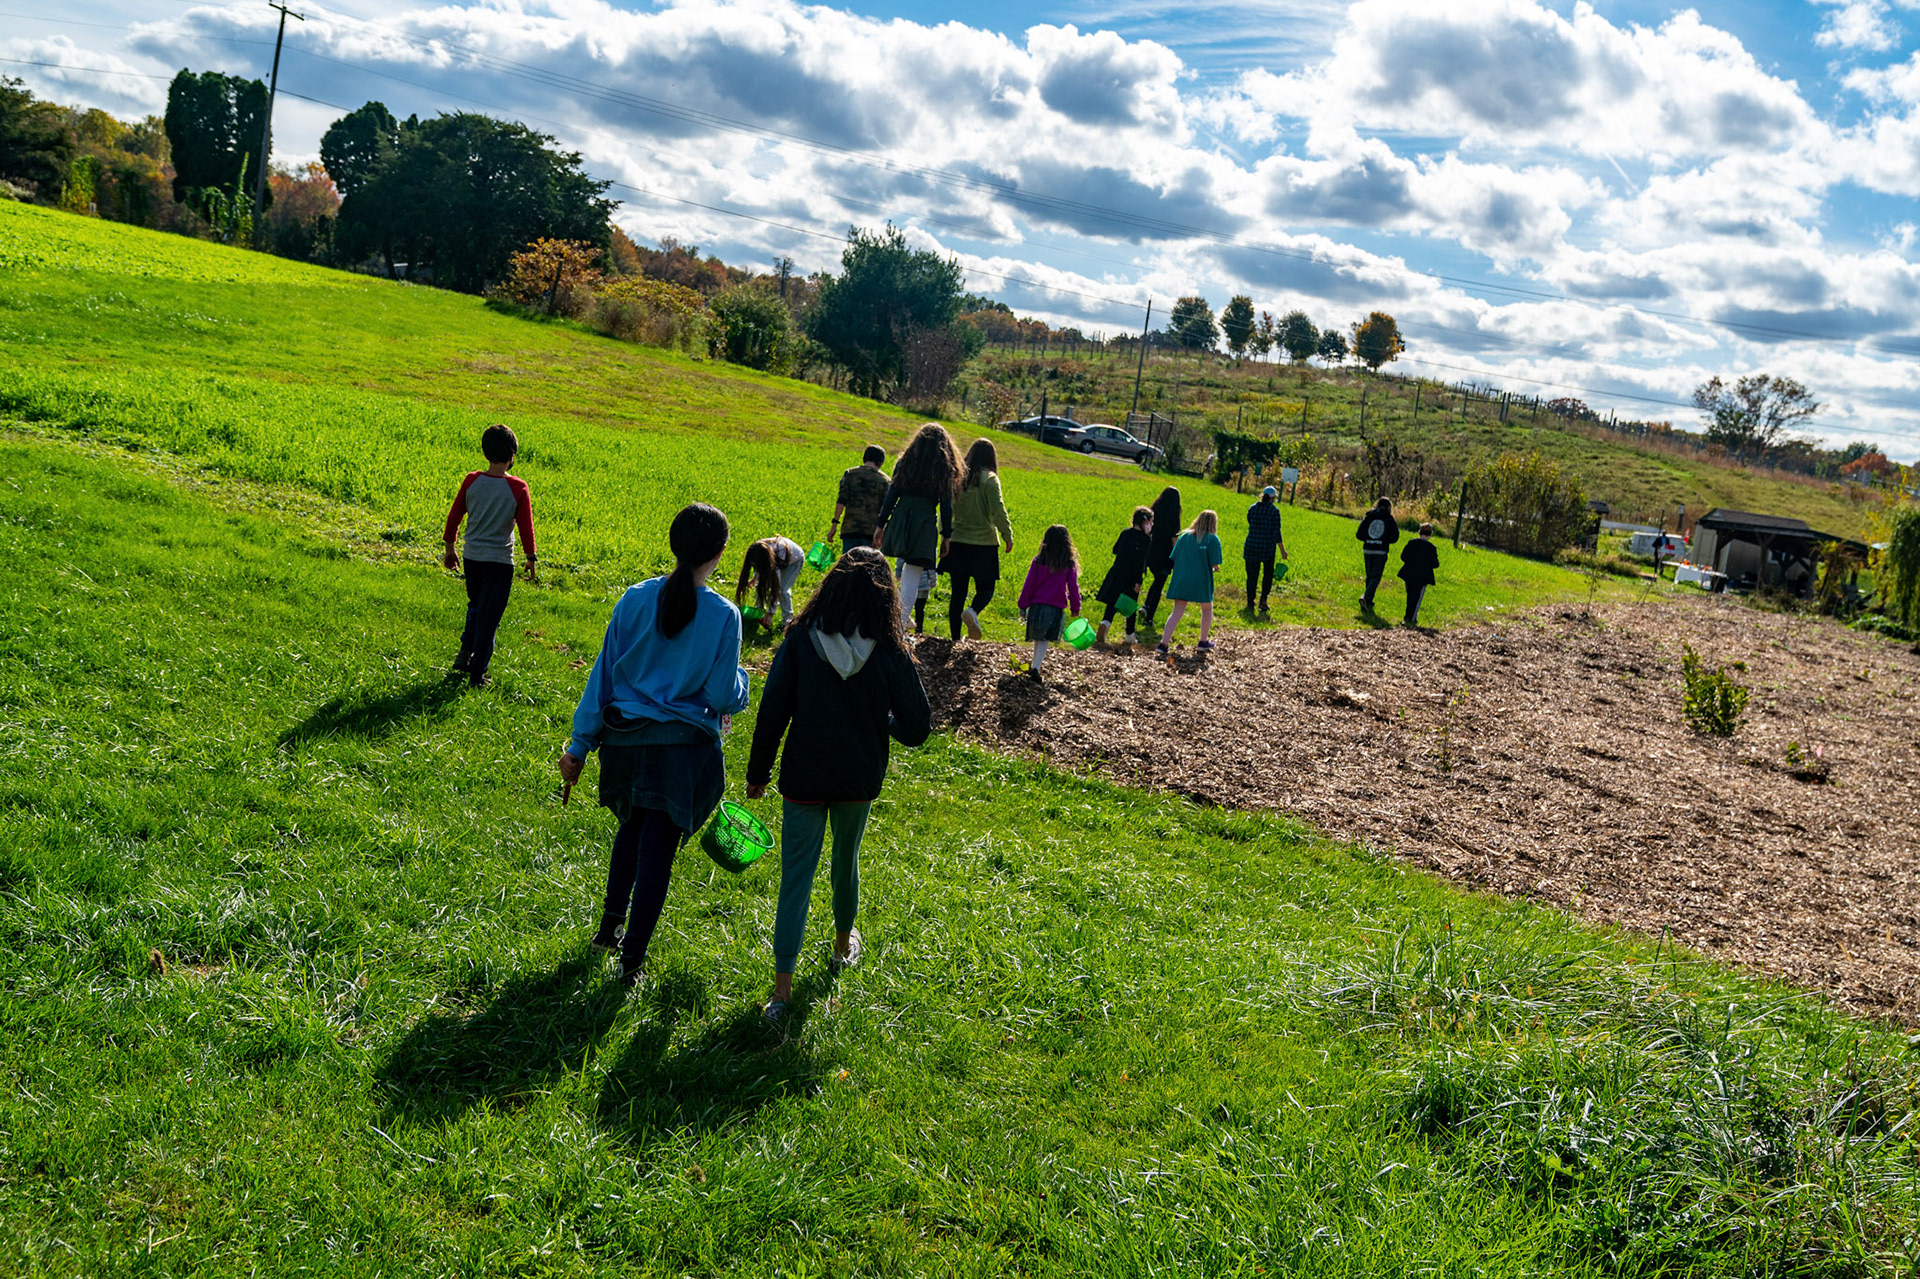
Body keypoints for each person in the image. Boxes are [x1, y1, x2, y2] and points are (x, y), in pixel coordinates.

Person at [557, 503, 751, 988]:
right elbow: (720, 695)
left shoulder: (635, 598)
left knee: (631, 830)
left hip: (623, 743)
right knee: (658, 853)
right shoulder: (723, 615)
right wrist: (742, 686)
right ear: (720, 553)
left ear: (673, 543)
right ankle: (632, 963)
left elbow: (602, 676)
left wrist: (580, 745)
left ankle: (608, 932)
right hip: (680, 752)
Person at [745, 547, 932, 1028]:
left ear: (829, 586)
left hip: (804, 775)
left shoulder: (800, 637)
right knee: (845, 862)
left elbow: (772, 711)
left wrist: (757, 774)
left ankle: (781, 992)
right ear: (886, 596)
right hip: (857, 777)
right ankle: (842, 945)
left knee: (795, 878)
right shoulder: (890, 649)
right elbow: (917, 727)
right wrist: (883, 721)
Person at [441, 423, 538, 688]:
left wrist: (450, 549)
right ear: (512, 455)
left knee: (476, 605)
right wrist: (531, 557)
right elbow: (526, 527)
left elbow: (454, 516)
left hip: (472, 557)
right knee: (489, 618)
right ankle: (477, 675)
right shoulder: (518, 488)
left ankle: (465, 652)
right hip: (499, 563)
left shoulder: (472, 480)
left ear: (485, 453)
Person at [875, 424, 960, 635]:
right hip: (924, 521)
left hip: (902, 516)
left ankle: (892, 621)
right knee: (912, 574)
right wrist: (946, 536)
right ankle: (899, 628)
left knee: (902, 572)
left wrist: (880, 525)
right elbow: (946, 506)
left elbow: (892, 495)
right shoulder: (943, 468)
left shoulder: (905, 462)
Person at [946, 439, 1015, 640]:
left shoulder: (957, 479)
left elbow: (947, 509)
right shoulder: (990, 479)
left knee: (957, 593)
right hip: (984, 544)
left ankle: (955, 638)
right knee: (986, 589)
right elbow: (998, 510)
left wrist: (945, 535)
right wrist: (1007, 535)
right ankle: (973, 611)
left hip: (958, 541)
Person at [1016, 524, 1081, 683]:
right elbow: (1073, 588)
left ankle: (1034, 665)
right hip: (1055, 607)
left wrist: (1023, 604)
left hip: (1037, 605)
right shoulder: (1068, 564)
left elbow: (1029, 584)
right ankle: (1036, 667)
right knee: (1044, 638)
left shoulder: (1039, 561)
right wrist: (1075, 607)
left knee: (1038, 637)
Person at [1157, 509, 1222, 656]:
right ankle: (1203, 641)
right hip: (1201, 580)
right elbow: (1215, 563)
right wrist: (1215, 568)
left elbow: (1174, 556)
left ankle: (1163, 643)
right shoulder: (1212, 539)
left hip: (1182, 578)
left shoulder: (1184, 537)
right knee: (1207, 609)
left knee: (1177, 611)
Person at [1094, 505, 1154, 645]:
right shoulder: (1145, 540)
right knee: (1130, 605)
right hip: (1132, 577)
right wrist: (1138, 581)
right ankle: (1129, 634)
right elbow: (1140, 562)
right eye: (1151, 522)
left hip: (1117, 572)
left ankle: (1105, 622)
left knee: (1112, 601)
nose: (1152, 525)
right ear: (1145, 522)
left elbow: (1115, 550)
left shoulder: (1125, 533)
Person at [830, 446, 890, 558]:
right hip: (871, 533)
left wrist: (834, 525)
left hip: (850, 530)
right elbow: (885, 509)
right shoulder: (884, 481)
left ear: (864, 458)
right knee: (867, 566)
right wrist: (881, 532)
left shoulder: (850, 474)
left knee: (848, 564)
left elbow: (841, 501)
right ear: (881, 462)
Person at [735, 536, 806, 631]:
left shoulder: (777, 554)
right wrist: (755, 578)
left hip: (795, 560)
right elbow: (760, 566)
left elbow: (776, 588)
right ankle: (759, 611)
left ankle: (787, 621)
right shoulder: (755, 550)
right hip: (778, 559)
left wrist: (770, 613)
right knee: (760, 584)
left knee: (783, 590)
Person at [1138, 485, 1183, 629]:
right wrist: (1179, 556)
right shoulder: (1174, 517)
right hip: (1165, 556)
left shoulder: (1154, 512)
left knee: (1152, 581)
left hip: (1151, 551)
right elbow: (1174, 539)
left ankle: (1145, 606)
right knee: (1159, 584)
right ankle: (1149, 617)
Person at [1243, 485, 1288, 614]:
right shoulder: (1274, 511)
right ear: (1273, 498)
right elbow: (1276, 533)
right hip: (1267, 548)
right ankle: (1263, 600)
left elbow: (1250, 521)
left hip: (1251, 546)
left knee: (1252, 576)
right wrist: (1283, 550)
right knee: (1267, 575)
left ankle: (1250, 602)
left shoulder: (1252, 508)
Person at [1356, 497, 1400, 612]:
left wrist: (1368, 539)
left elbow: (1359, 534)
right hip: (1380, 551)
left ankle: (1368, 601)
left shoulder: (1369, 516)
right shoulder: (1389, 519)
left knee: (1369, 575)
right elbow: (1395, 537)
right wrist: (1385, 540)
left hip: (1368, 549)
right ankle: (1366, 597)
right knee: (1375, 576)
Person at [1398, 523, 1440, 627]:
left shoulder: (1411, 543)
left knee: (1410, 595)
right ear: (1430, 534)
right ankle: (1411, 618)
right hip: (1423, 576)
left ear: (1419, 532)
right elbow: (1435, 564)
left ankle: (1408, 615)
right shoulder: (1431, 548)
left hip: (1409, 573)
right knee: (1417, 598)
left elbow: (1403, 557)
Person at [896, 560, 933, 633]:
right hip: (924, 584)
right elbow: (932, 568)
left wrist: (898, 572)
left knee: (905, 604)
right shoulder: (928, 554)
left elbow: (900, 560)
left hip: (908, 580)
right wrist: (932, 582)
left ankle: (902, 624)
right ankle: (919, 629)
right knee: (920, 609)